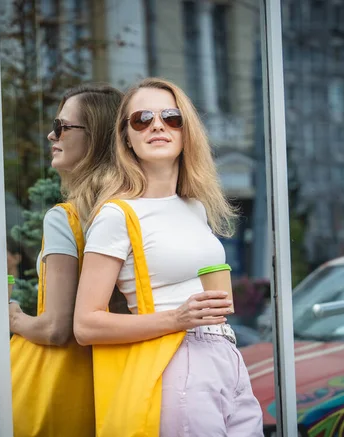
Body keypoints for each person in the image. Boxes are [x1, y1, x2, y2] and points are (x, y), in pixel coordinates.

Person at [74, 77, 264, 436]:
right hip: (176, 360)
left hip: (225, 353)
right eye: (141, 119)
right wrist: (178, 318)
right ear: (126, 137)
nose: (157, 125)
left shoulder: (194, 206)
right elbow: (85, 325)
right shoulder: (117, 214)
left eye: (171, 117)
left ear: (186, 131)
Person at [0, 83, 123, 437]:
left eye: (62, 127)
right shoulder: (131, 210)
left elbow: (57, 328)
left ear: (96, 137)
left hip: (63, 389)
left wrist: (11, 316)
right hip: (117, 382)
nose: (49, 135)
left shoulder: (65, 218)